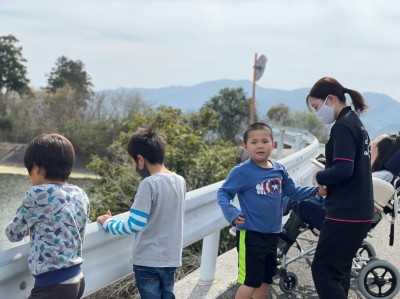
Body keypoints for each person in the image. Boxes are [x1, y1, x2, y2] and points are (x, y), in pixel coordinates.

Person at [217, 122, 324, 299]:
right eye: (254, 142)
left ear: (272, 144)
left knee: (266, 279)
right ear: (246, 147)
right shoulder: (242, 172)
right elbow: (223, 193)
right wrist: (232, 213)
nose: (260, 145)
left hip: (272, 234)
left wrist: (315, 190)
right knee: (250, 281)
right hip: (251, 234)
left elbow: (293, 192)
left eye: (265, 141)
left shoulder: (278, 169)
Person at [96, 127, 186, 299]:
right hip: (171, 258)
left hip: (148, 261)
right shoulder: (179, 180)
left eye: (133, 161)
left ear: (140, 159)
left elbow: (134, 224)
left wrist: (108, 222)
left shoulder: (149, 184)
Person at [306, 77, 374, 299]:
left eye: (316, 107)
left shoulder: (343, 126)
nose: (317, 112)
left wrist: (320, 175)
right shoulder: (355, 122)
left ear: (330, 99)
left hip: (346, 212)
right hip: (359, 210)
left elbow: (344, 169)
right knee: (338, 272)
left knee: (323, 271)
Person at [5, 134, 90, 299]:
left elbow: (13, 234)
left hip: (53, 285)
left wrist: (27, 227)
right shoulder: (80, 194)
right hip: (77, 279)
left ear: (36, 168)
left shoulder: (37, 194)